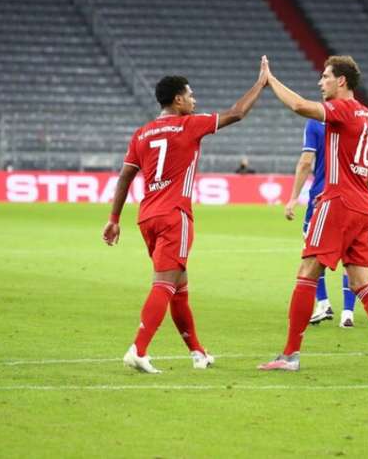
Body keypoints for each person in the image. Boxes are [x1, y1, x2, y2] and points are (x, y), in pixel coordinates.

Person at [103, 58, 268, 374]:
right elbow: (237, 113)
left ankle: (197, 353)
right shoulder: (189, 124)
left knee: (179, 287)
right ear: (178, 99)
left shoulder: (142, 134)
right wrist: (261, 83)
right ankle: (138, 349)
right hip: (174, 216)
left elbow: (124, 177)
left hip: (147, 217)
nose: (194, 100)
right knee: (164, 284)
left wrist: (113, 218)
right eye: (190, 95)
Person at [258, 55, 368, 374]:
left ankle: (289, 356)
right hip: (362, 204)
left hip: (337, 202)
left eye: (325, 76)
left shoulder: (342, 109)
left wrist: (269, 81)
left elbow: (301, 106)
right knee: (360, 281)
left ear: (341, 81)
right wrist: (357, 184)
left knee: (307, 272)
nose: (321, 82)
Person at [284, 118, 356, 328]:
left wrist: (293, 197)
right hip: (352, 198)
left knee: (311, 253)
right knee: (349, 255)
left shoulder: (316, 122)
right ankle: (348, 313)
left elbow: (306, 161)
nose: (320, 82)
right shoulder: (358, 120)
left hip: (322, 197)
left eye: (324, 81)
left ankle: (323, 303)